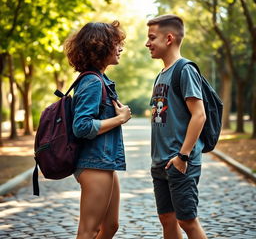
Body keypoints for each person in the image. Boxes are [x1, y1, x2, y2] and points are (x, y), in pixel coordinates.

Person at [64, 21, 131, 239]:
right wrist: (119, 119)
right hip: (93, 163)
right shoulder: (92, 81)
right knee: (89, 230)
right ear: (101, 46)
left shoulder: (100, 79)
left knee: (110, 226)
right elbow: (81, 126)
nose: (120, 48)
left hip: (104, 161)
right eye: (116, 43)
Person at [146, 14, 208, 239]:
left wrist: (183, 156)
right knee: (167, 219)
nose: (147, 43)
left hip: (180, 161)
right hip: (160, 162)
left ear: (169, 38)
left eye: (152, 38)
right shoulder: (161, 74)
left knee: (187, 221)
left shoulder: (185, 69)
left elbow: (199, 115)